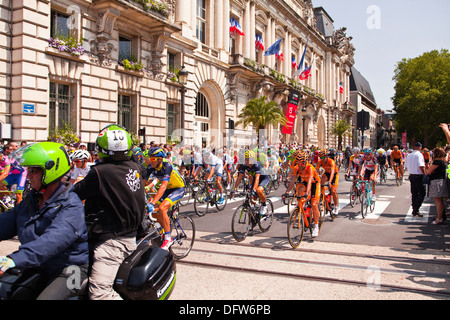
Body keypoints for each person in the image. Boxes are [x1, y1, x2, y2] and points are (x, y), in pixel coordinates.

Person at [0, 142, 89, 300]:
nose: (28, 176)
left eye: (33, 171)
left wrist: (14, 259)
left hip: (69, 269)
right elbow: (7, 221)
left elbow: (51, 241)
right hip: (39, 265)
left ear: (51, 170)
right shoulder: (32, 201)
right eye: (28, 170)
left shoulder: (71, 205)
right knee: (8, 292)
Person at [73, 124, 145, 300]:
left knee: (99, 294)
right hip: (130, 233)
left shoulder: (99, 172)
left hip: (111, 242)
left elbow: (74, 193)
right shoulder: (135, 167)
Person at [145, 147, 185, 250]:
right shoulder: (150, 167)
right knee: (154, 212)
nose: (151, 161)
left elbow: (163, 186)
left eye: (153, 159)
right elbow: (143, 183)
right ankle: (163, 230)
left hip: (178, 188)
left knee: (162, 208)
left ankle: (168, 238)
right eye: (150, 158)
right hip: (168, 189)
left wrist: (152, 203)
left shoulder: (167, 166)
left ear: (160, 159)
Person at [283, 151, 321, 237]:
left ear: (305, 162)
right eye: (298, 163)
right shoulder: (297, 168)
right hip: (304, 182)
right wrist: (287, 192)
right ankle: (303, 209)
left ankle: (316, 225)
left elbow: (310, 181)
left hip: (314, 182)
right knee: (299, 192)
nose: (299, 165)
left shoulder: (310, 167)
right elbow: (293, 180)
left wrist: (307, 193)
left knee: (314, 204)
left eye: (301, 163)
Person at [232, 150, 270, 215]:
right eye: (246, 159)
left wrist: (254, 190)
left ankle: (264, 205)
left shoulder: (257, 165)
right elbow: (239, 178)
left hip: (263, 178)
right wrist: (234, 189)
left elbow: (257, 179)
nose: (246, 161)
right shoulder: (244, 165)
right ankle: (252, 222)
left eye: (248, 159)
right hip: (255, 179)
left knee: (258, 190)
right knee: (251, 203)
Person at [404, 142, 426, 217]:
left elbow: (406, 167)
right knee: (422, 193)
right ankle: (416, 208)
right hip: (418, 176)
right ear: (420, 148)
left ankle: (415, 209)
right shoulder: (419, 155)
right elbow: (421, 166)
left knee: (414, 193)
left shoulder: (409, 155)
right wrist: (424, 173)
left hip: (411, 175)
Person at [315, 149, 339, 216]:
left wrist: (329, 182)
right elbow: (316, 172)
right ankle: (323, 196)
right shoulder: (320, 162)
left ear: (326, 157)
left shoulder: (331, 162)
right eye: (320, 157)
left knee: (333, 191)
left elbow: (332, 173)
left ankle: (336, 206)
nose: (322, 159)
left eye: (323, 157)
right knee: (321, 182)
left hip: (334, 174)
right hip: (326, 173)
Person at [427, 147, 448, 224]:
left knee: (438, 200)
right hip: (441, 181)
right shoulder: (443, 161)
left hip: (436, 182)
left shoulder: (437, 161)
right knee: (440, 200)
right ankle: (441, 216)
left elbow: (429, 171)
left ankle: (439, 218)